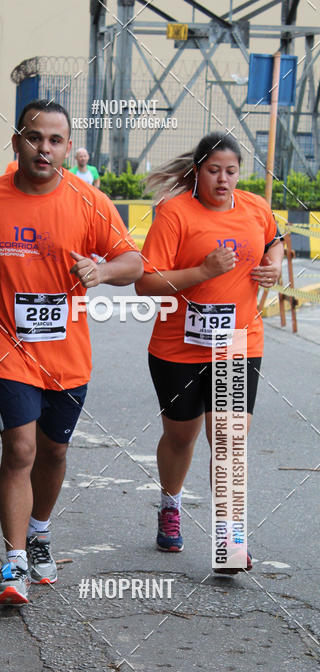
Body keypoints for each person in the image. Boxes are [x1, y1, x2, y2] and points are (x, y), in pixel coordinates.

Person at [0, 100, 143, 605]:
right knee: (21, 450)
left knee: (53, 451)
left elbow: (134, 261)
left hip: (68, 352)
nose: (44, 148)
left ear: (68, 148)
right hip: (6, 345)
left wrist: (103, 272)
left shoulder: (90, 200)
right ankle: (12, 561)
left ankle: (39, 532)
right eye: (34, 138)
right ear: (17, 143)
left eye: (55, 140)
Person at [135, 132, 283, 573]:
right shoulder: (175, 213)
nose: (223, 179)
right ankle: (170, 504)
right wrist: (202, 271)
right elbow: (146, 283)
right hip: (178, 346)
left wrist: (273, 262)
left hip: (238, 341)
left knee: (230, 439)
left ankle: (229, 538)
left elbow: (275, 237)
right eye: (214, 170)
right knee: (182, 437)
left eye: (231, 171)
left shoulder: (255, 207)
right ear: (197, 170)